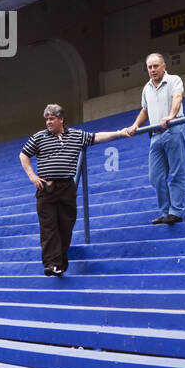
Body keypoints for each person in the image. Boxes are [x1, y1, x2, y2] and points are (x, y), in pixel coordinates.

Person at [20, 104, 127, 275]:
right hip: (46, 187)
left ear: (61, 119)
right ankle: (51, 264)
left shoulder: (76, 135)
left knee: (66, 226)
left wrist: (119, 133)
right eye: (46, 119)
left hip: (67, 188)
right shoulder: (39, 137)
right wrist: (32, 176)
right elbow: (23, 154)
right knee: (49, 227)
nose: (48, 122)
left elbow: (97, 137)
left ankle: (60, 264)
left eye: (52, 118)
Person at [123, 52, 185, 224]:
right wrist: (135, 125)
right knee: (155, 176)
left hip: (173, 129)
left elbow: (177, 98)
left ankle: (176, 212)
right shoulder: (146, 88)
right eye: (149, 67)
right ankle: (166, 212)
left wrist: (170, 116)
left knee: (175, 172)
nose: (152, 70)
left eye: (156, 66)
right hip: (155, 135)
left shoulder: (174, 80)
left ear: (164, 66)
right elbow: (145, 110)